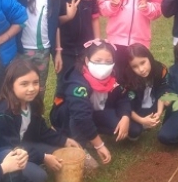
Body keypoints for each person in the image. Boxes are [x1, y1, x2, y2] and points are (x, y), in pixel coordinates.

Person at [0, 59, 81, 182]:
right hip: (3, 154)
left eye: (35, 82)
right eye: (24, 84)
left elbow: (41, 130)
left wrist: (64, 140)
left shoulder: (31, 102)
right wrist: (43, 157)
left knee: (58, 152)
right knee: (39, 177)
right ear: (11, 85)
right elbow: (12, 148)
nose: (31, 88)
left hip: (22, 146)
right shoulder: (3, 112)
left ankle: (33, 161)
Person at [50, 39, 136, 167]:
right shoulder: (77, 81)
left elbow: (122, 97)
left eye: (108, 61)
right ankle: (76, 144)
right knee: (78, 118)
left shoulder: (113, 74)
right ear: (86, 60)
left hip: (96, 112)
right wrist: (99, 145)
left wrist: (125, 116)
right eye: (98, 61)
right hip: (70, 115)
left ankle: (90, 134)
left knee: (133, 130)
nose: (103, 65)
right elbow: (81, 116)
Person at [55, 0, 101, 86]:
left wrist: (97, 42)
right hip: (64, 48)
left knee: (87, 81)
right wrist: (68, 17)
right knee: (65, 83)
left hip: (86, 47)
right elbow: (51, 22)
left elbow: (94, 17)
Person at [122, 44, 173, 136]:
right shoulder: (127, 77)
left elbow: (164, 88)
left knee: (170, 98)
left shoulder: (160, 69)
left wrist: (159, 112)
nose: (141, 69)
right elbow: (126, 105)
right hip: (135, 109)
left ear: (149, 57)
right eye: (134, 66)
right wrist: (142, 120)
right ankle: (138, 125)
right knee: (135, 131)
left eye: (143, 62)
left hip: (153, 104)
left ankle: (168, 123)